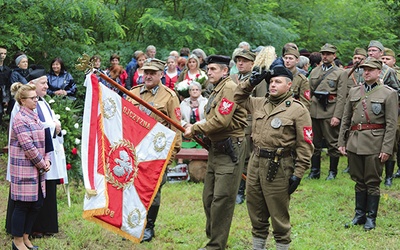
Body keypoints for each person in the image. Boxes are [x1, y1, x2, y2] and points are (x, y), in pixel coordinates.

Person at [234, 65, 314, 250]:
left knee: (278, 213)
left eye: (277, 81)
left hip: (279, 164)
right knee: (255, 209)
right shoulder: (259, 103)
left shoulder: (298, 110)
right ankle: (258, 246)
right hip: (256, 161)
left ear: (289, 85)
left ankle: (282, 246)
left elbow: (306, 144)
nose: (272, 85)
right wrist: (251, 81)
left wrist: (299, 173)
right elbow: (238, 97)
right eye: (270, 82)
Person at [184, 55, 247, 250]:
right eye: (208, 69)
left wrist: (194, 128)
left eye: (213, 69)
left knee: (222, 199)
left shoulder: (229, 88)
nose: (208, 72)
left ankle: (216, 245)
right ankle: (215, 237)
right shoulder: (216, 88)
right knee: (209, 197)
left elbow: (222, 121)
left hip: (230, 149)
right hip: (216, 147)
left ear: (225, 71)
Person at [338, 58, 398, 231]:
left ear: (379, 72)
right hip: (355, 141)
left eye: (371, 70)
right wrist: (342, 141)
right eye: (365, 69)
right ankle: (359, 215)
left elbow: (391, 124)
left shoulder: (388, 93)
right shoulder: (355, 91)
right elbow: (346, 118)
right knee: (358, 180)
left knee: (372, 181)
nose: (366, 72)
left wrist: (387, 148)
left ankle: (371, 217)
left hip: (375, 142)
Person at [126, 59, 181, 242]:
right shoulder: (132, 93)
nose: (148, 75)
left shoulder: (169, 96)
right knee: (131, 188)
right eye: (145, 72)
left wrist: (171, 155)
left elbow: (176, 128)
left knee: (153, 190)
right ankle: (132, 225)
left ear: (161, 75)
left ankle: (149, 227)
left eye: (152, 72)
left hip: (157, 153)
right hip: (133, 151)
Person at [8, 82, 51, 250]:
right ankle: (17, 242)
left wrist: (47, 159)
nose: (36, 101)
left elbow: (44, 139)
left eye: (36, 97)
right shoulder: (20, 119)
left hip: (38, 168)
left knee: (36, 204)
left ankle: (26, 238)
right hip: (25, 168)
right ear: (22, 100)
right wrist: (42, 163)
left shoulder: (33, 115)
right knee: (23, 205)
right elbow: (28, 147)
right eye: (33, 98)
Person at [307, 44, 347, 180]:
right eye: (323, 53)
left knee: (332, 143)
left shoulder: (341, 73)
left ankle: (332, 171)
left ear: (334, 56)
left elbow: (342, 97)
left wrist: (337, 115)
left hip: (330, 110)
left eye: (328, 54)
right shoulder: (314, 71)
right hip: (314, 110)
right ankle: (315, 171)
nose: (325, 56)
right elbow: (309, 93)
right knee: (314, 142)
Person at [230, 49, 256, 204]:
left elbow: (260, 104)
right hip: (231, 122)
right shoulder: (232, 78)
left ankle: (241, 191)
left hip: (248, 122)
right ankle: (234, 189)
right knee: (233, 156)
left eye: (244, 61)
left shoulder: (256, 79)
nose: (240, 63)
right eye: (238, 60)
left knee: (245, 158)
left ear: (252, 64)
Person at [0, 45, 11, 125]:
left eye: (4, 53)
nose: (3, 55)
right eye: (1, 53)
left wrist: (6, 99)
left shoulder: (8, 70)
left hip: (2, 94)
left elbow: (8, 85)